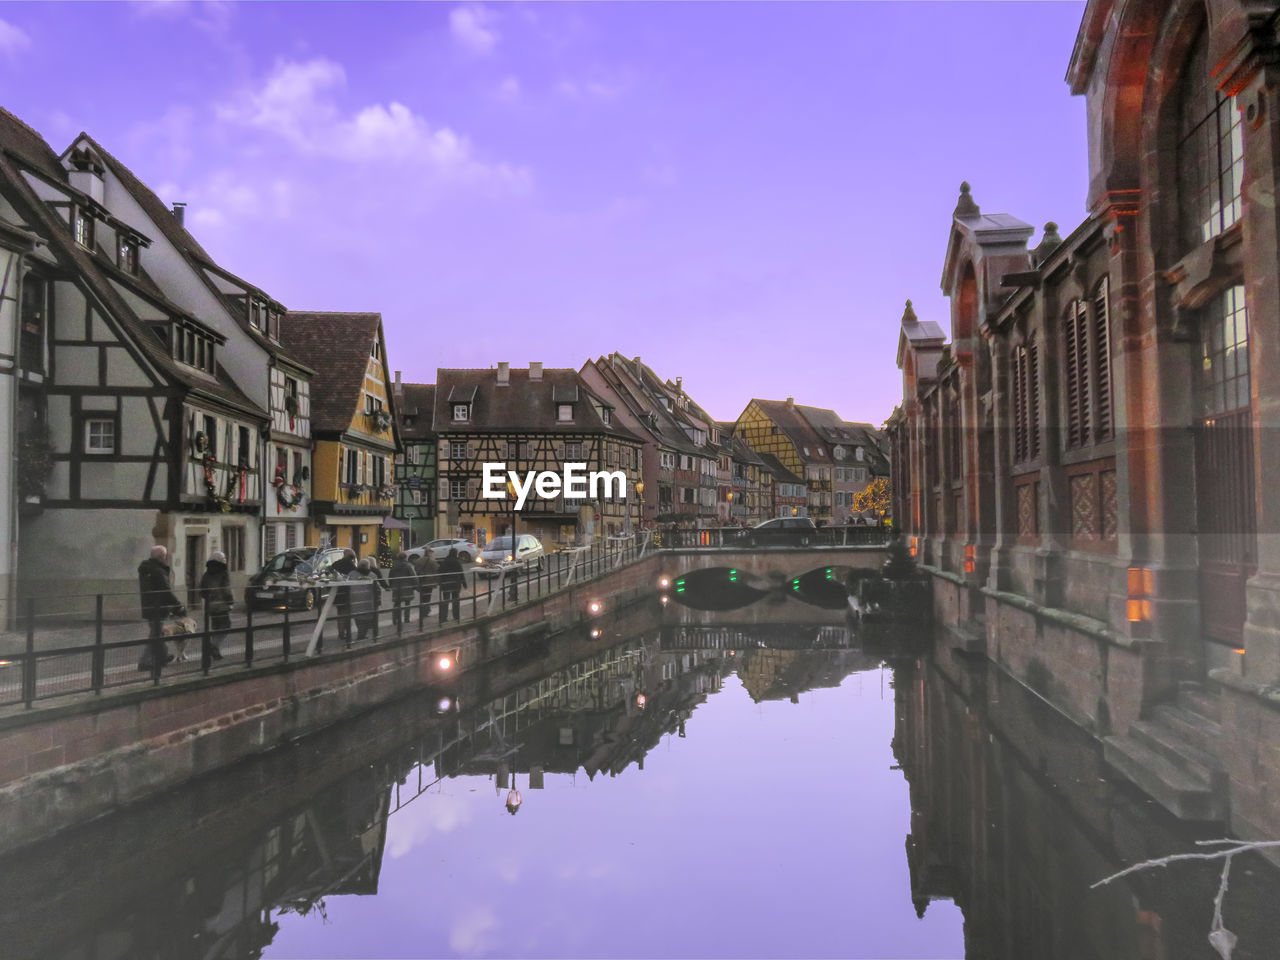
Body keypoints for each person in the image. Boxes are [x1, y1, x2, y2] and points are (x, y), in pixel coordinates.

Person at [137, 545, 183, 671]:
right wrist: (178, 605)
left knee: (157, 632)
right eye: (165, 556)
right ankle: (144, 662)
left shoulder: (146, 569)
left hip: (148, 606)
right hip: (158, 607)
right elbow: (166, 591)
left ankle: (164, 655)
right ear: (162, 557)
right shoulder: (158, 571)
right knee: (155, 634)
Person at [198, 550, 232, 660]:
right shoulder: (223, 572)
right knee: (226, 626)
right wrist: (230, 601)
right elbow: (226, 589)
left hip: (210, 606)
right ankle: (214, 646)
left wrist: (208, 598)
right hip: (221, 605)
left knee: (216, 627)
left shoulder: (207, 574)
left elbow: (202, 590)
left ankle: (215, 650)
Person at [348, 559, 380, 642]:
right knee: (366, 618)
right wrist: (378, 600)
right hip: (368, 600)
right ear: (368, 566)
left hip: (354, 599)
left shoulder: (351, 574)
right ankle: (361, 636)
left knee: (358, 618)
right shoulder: (372, 575)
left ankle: (360, 634)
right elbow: (377, 588)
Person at [330, 548, 357, 645]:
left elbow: (330, 571)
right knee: (346, 613)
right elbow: (355, 575)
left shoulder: (336, 563)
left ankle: (341, 632)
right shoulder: (350, 564)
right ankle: (345, 633)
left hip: (337, 592)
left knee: (340, 612)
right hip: (347, 592)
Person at [389, 551, 418, 635]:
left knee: (396, 604)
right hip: (407, 587)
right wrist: (416, 586)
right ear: (405, 558)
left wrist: (391, 586)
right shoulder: (408, 566)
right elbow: (413, 576)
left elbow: (390, 577)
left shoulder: (394, 566)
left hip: (397, 588)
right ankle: (406, 619)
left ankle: (395, 619)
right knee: (407, 603)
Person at [438, 547, 465, 624]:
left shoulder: (445, 561)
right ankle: (456, 616)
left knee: (446, 601)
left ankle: (443, 618)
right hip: (455, 584)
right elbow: (461, 573)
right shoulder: (456, 562)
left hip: (446, 584)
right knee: (455, 601)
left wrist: (440, 582)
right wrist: (464, 583)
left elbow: (439, 571)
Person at [410, 548, 437, 622]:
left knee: (422, 597)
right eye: (431, 553)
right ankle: (426, 612)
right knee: (427, 597)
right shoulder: (432, 561)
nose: (432, 554)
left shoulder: (418, 560)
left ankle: (422, 611)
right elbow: (436, 570)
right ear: (429, 553)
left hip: (421, 581)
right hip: (429, 582)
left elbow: (416, 569)